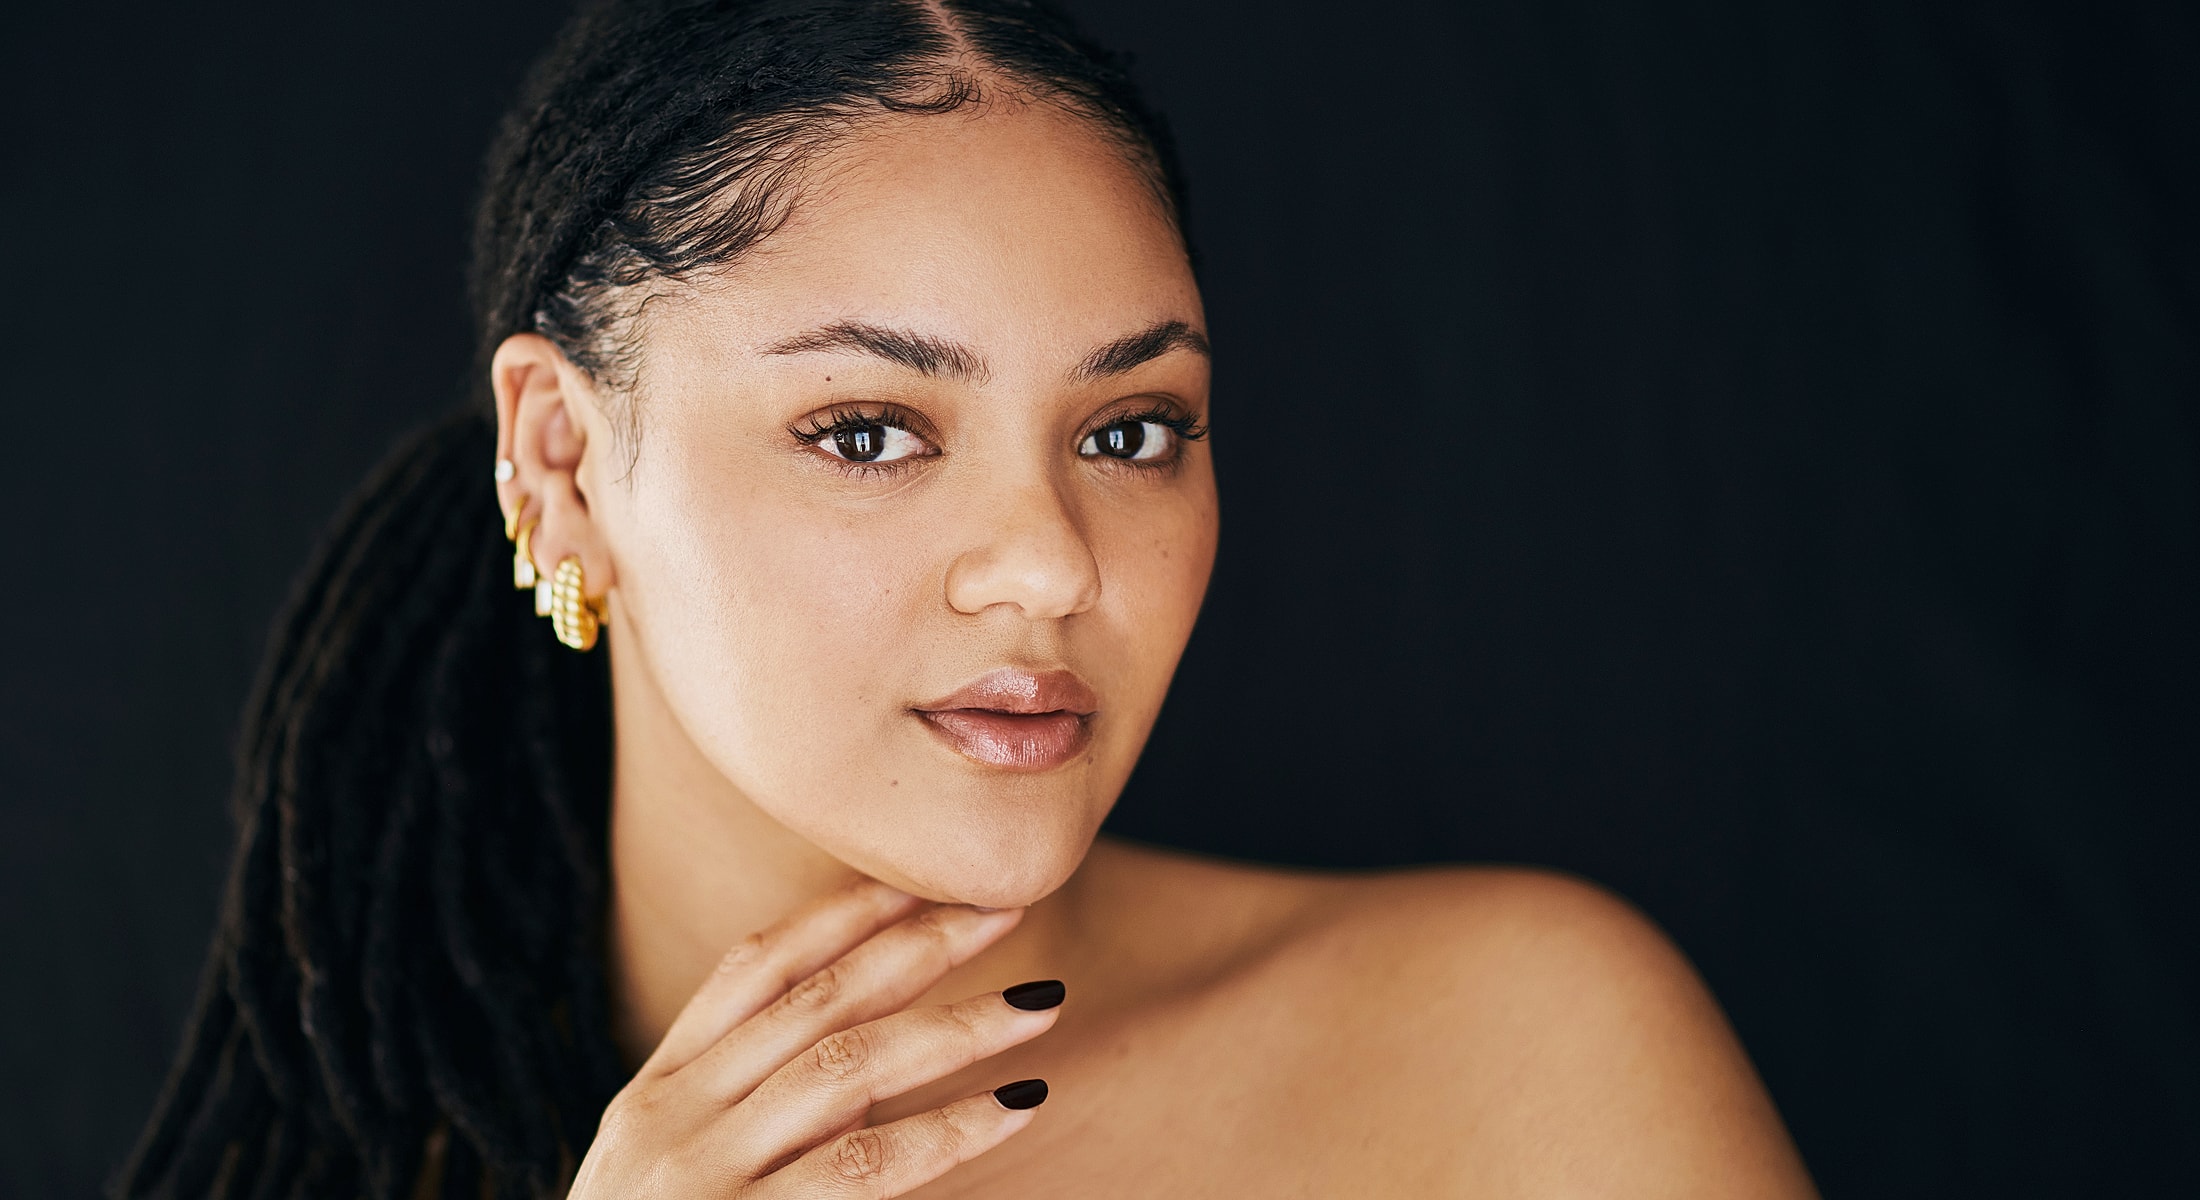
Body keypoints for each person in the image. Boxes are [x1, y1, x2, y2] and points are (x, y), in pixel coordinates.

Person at [119, 1, 1817, 1196]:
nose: (1053, 560)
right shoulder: (359, 1148)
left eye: (1130, 429)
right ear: (563, 464)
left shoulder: (1506, 1055)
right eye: (870, 430)